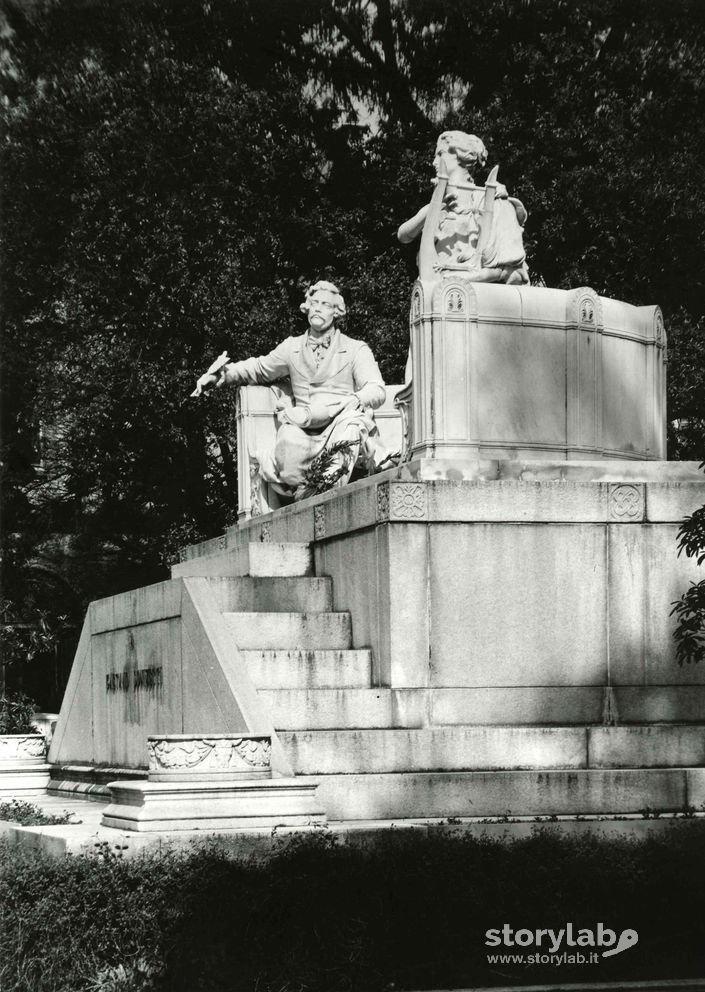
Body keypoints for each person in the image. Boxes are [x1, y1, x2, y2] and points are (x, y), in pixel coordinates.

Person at [193, 281, 388, 500]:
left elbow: (377, 389)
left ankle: (326, 493)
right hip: (303, 425)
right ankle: (307, 492)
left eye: (324, 304)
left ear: (336, 311)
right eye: (313, 303)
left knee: (352, 427)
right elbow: (258, 368)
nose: (317, 308)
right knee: (287, 443)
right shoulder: (291, 347)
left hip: (341, 419)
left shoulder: (355, 349)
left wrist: (356, 399)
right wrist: (223, 374)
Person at [397, 130, 529, 285]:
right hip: (435, 288)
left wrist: (470, 277)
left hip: (470, 292)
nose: (434, 162)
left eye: (440, 154)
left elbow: (513, 272)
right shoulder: (437, 205)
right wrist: (434, 208)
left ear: (460, 155)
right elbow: (403, 235)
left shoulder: (493, 202)